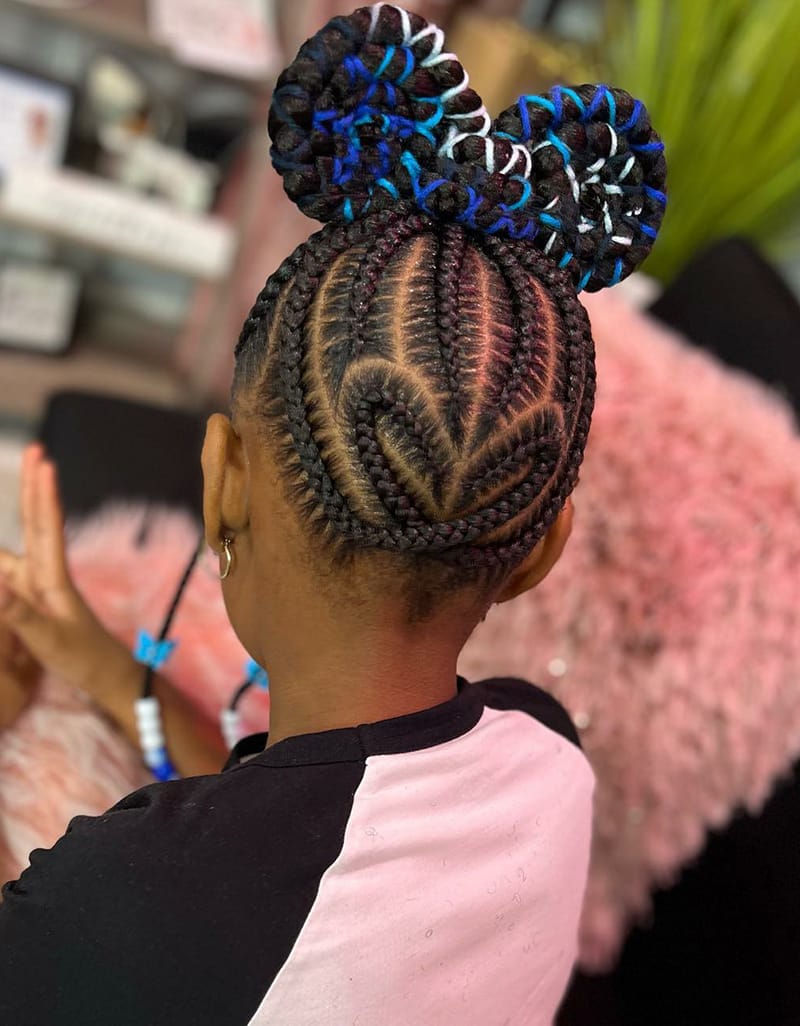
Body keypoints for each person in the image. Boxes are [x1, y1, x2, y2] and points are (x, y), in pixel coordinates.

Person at [0, 4, 665, 1023]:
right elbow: (275, 828)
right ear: (542, 552)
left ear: (223, 479)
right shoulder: (547, 756)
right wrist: (103, 666)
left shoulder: (107, 917)